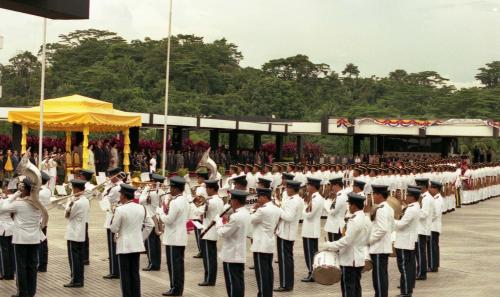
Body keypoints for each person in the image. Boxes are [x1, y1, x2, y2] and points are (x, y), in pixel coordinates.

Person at [0, 178, 46, 297]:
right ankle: (31, 292)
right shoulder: (38, 203)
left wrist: (15, 194)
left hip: (21, 239)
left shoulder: (19, 203)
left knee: (21, 267)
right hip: (35, 238)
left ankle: (22, 293)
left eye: (21, 187)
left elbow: (2, 208)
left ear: (24, 189)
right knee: (32, 267)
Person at [110, 183, 154, 297]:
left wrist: (113, 217)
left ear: (123, 195)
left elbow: (114, 228)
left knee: (125, 274)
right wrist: (141, 237)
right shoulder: (141, 207)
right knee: (134, 273)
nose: (119, 196)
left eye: (120, 194)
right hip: (136, 245)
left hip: (124, 246)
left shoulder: (120, 209)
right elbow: (150, 225)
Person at [322, 192, 369, 297]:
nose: (349, 207)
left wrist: (330, 245)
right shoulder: (365, 218)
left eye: (349, 205)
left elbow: (346, 240)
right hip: (358, 258)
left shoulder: (354, 220)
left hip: (350, 260)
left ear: (354, 206)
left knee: (348, 289)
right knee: (356, 287)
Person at [157, 176, 189, 296]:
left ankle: (175, 289)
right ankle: (178, 288)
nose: (170, 189)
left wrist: (160, 212)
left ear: (176, 188)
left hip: (173, 238)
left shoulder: (175, 202)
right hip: (180, 237)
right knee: (178, 265)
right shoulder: (184, 200)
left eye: (171, 187)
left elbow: (168, 220)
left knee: (174, 265)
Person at [216, 189, 251, 297]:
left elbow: (224, 233)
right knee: (238, 282)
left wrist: (219, 222)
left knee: (232, 283)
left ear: (236, 201)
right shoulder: (245, 213)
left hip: (231, 254)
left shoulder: (236, 216)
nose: (230, 202)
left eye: (231, 200)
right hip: (238, 252)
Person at [250, 187, 282, 297]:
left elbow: (250, 219)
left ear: (264, 196)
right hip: (269, 243)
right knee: (268, 270)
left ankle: (263, 294)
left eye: (259, 196)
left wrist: (253, 209)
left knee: (261, 272)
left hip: (260, 245)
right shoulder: (277, 209)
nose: (257, 199)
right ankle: (267, 293)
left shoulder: (262, 210)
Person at [274, 179, 303, 292]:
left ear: (292, 189)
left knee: (285, 260)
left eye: (288, 188)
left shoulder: (293, 201)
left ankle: (285, 284)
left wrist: (278, 210)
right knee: (287, 260)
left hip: (285, 233)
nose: (286, 189)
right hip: (286, 232)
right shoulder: (296, 199)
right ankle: (287, 283)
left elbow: (289, 217)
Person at [194, 179, 224, 286]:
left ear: (211, 188)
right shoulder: (219, 200)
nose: (206, 190)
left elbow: (198, 212)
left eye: (207, 188)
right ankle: (210, 279)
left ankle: (209, 280)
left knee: (208, 259)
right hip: (213, 231)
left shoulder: (210, 201)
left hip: (208, 232)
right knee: (211, 257)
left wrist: (194, 203)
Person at [368, 185, 394, 297]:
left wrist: (370, 240)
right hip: (384, 247)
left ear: (379, 195)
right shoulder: (389, 208)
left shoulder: (381, 210)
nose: (373, 196)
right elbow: (391, 227)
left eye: (374, 194)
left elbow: (382, 229)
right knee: (382, 274)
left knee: (378, 276)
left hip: (379, 247)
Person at [63, 179, 90, 288]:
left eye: (73, 188)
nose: (72, 190)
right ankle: (79, 279)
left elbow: (67, 215)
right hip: (80, 231)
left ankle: (76, 279)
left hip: (74, 232)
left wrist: (69, 202)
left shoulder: (77, 202)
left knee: (74, 259)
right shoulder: (85, 200)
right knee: (78, 258)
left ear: (76, 189)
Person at [394, 187, 420, 297]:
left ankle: (405, 291)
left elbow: (401, 224)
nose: (406, 197)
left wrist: (391, 220)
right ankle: (408, 288)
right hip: (407, 241)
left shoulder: (412, 209)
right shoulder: (413, 207)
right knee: (408, 267)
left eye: (408, 195)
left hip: (404, 242)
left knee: (404, 267)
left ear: (412, 197)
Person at [139, 173, 166, 271]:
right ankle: (156, 263)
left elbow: (140, 201)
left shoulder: (151, 192)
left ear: (155, 182)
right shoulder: (162, 191)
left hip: (150, 218)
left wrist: (145, 190)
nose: (150, 183)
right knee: (156, 242)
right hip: (157, 218)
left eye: (151, 181)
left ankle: (152, 264)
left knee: (150, 243)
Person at [301, 177, 324, 282]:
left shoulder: (316, 198)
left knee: (310, 253)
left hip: (311, 230)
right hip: (309, 229)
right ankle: (312, 272)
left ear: (313, 186)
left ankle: (312, 273)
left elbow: (309, 214)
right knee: (309, 253)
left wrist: (303, 210)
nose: (307, 187)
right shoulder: (314, 197)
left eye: (308, 185)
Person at [101, 167, 123, 279]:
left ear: (115, 176)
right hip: (116, 216)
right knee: (114, 246)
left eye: (111, 176)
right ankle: (116, 270)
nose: (109, 178)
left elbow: (104, 199)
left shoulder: (115, 188)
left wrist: (107, 186)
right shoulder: (119, 185)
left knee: (112, 246)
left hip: (112, 217)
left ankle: (115, 271)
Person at [415, 178, 434, 280]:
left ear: (423, 187)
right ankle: (420, 271)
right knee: (420, 252)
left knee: (420, 252)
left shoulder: (426, 198)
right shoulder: (426, 197)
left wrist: (414, 211)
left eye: (419, 186)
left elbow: (424, 214)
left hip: (421, 229)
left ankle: (421, 273)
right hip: (422, 228)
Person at [0, 179, 16, 281]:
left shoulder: (4, 200)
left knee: (4, 252)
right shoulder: (16, 199)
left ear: (6, 188)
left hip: (3, 228)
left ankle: (6, 273)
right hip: (12, 227)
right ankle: (11, 272)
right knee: (11, 251)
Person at [324, 177, 348, 242]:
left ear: (337, 185)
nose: (332, 188)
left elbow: (332, 211)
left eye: (332, 186)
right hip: (335, 226)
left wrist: (326, 202)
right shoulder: (340, 195)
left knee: (333, 249)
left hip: (334, 226)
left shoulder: (340, 196)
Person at [79, 169, 95, 266]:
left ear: (84, 177)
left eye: (81, 175)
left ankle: (85, 258)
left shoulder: (90, 187)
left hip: (84, 213)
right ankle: (83, 256)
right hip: (81, 213)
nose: (80, 177)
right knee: (82, 235)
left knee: (84, 236)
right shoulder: (83, 185)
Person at [37, 172, 51, 272]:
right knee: (43, 242)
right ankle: (42, 264)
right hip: (42, 219)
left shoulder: (40, 192)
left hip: (39, 219)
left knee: (41, 242)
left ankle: (42, 265)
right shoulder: (47, 190)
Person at [428, 180, 443, 273]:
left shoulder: (437, 199)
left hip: (433, 227)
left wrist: (427, 221)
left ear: (436, 189)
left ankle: (433, 266)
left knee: (432, 247)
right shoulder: (435, 198)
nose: (430, 190)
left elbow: (435, 214)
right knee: (432, 247)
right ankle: (433, 264)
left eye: (432, 188)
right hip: (433, 226)